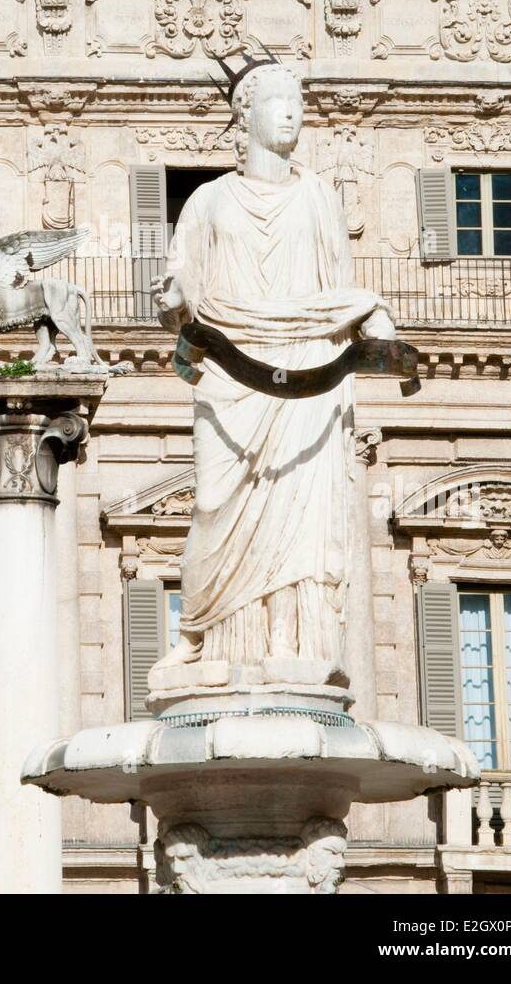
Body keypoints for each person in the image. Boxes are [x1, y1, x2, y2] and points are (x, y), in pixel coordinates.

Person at [151, 65, 393, 680]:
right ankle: (201, 632)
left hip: (308, 365)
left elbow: (338, 289)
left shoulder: (317, 198)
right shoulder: (206, 202)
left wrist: (371, 315)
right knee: (213, 502)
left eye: (298, 100)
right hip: (231, 371)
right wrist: (174, 294)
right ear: (243, 113)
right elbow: (183, 298)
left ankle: (301, 645)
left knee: (305, 515)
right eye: (276, 100)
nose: (291, 111)